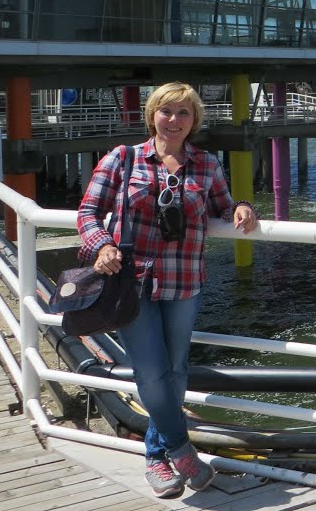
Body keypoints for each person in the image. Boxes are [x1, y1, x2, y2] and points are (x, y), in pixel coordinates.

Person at [76, 81, 259, 499]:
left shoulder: (205, 164)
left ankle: (158, 455)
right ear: (151, 115)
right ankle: (179, 448)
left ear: (194, 120)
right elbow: (88, 211)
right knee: (151, 371)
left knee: (176, 369)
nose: (174, 120)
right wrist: (100, 245)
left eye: (184, 113)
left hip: (185, 282)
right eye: (166, 111)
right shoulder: (122, 159)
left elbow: (222, 205)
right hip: (131, 282)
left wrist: (242, 208)